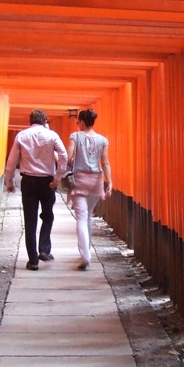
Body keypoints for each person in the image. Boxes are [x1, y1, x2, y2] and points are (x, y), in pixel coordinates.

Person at [4, 109, 67, 270]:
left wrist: (9, 181)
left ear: (29, 121)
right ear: (45, 120)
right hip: (47, 181)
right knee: (47, 215)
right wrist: (58, 176)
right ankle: (44, 249)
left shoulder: (22, 136)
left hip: (29, 181)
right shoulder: (52, 135)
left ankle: (33, 261)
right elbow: (63, 155)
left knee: (30, 220)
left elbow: (12, 161)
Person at [66, 108, 113, 270]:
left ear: (83, 122)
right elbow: (105, 163)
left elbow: (69, 157)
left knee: (81, 217)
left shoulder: (75, 137)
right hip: (96, 180)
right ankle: (86, 250)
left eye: (78, 121)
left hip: (80, 179)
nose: (77, 124)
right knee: (88, 216)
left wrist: (63, 169)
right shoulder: (103, 140)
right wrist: (110, 182)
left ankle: (85, 255)